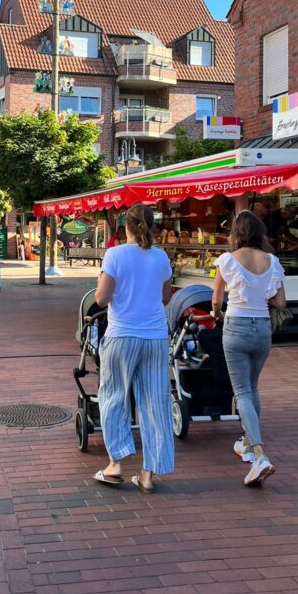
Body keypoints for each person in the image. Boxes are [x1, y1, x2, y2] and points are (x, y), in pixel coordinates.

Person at [92, 203, 174, 494]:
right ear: (150, 225)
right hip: (154, 337)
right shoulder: (161, 256)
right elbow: (165, 296)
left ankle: (115, 465)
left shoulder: (115, 254)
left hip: (122, 334)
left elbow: (101, 299)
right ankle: (148, 474)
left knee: (114, 397)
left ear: (125, 226)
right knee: (155, 404)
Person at [211, 210, 286, 486]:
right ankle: (245, 442)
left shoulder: (227, 260)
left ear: (237, 232)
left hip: (236, 327)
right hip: (263, 329)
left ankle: (259, 455)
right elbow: (280, 303)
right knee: (253, 388)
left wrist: (217, 313)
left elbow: (216, 299)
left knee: (241, 391)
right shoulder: (273, 261)